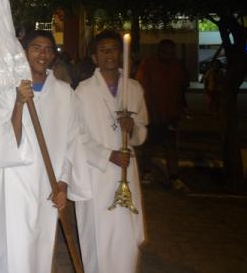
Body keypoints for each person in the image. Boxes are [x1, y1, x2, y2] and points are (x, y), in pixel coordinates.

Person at [0, 30, 91, 273]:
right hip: (14, 183)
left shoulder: (64, 93)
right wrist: (19, 104)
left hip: (47, 185)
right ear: (24, 52)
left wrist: (62, 183)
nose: (43, 54)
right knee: (12, 248)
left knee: (39, 249)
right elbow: (1, 145)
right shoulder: (6, 90)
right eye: (36, 48)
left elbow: (72, 142)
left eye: (48, 49)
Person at [75, 30, 148, 273]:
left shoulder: (134, 88)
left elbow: (142, 131)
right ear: (94, 57)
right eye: (103, 49)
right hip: (98, 172)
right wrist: (108, 155)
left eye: (114, 48)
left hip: (127, 170)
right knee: (100, 236)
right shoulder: (83, 91)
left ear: (121, 54)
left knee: (126, 238)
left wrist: (133, 128)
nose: (109, 53)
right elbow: (77, 136)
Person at [136, 39, 189, 191]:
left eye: (172, 52)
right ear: (159, 51)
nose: (169, 55)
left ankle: (174, 177)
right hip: (151, 115)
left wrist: (180, 110)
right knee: (149, 146)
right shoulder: (148, 66)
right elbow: (143, 91)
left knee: (170, 147)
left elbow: (181, 88)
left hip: (170, 115)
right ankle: (146, 172)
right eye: (166, 52)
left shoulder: (177, 66)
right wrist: (150, 113)